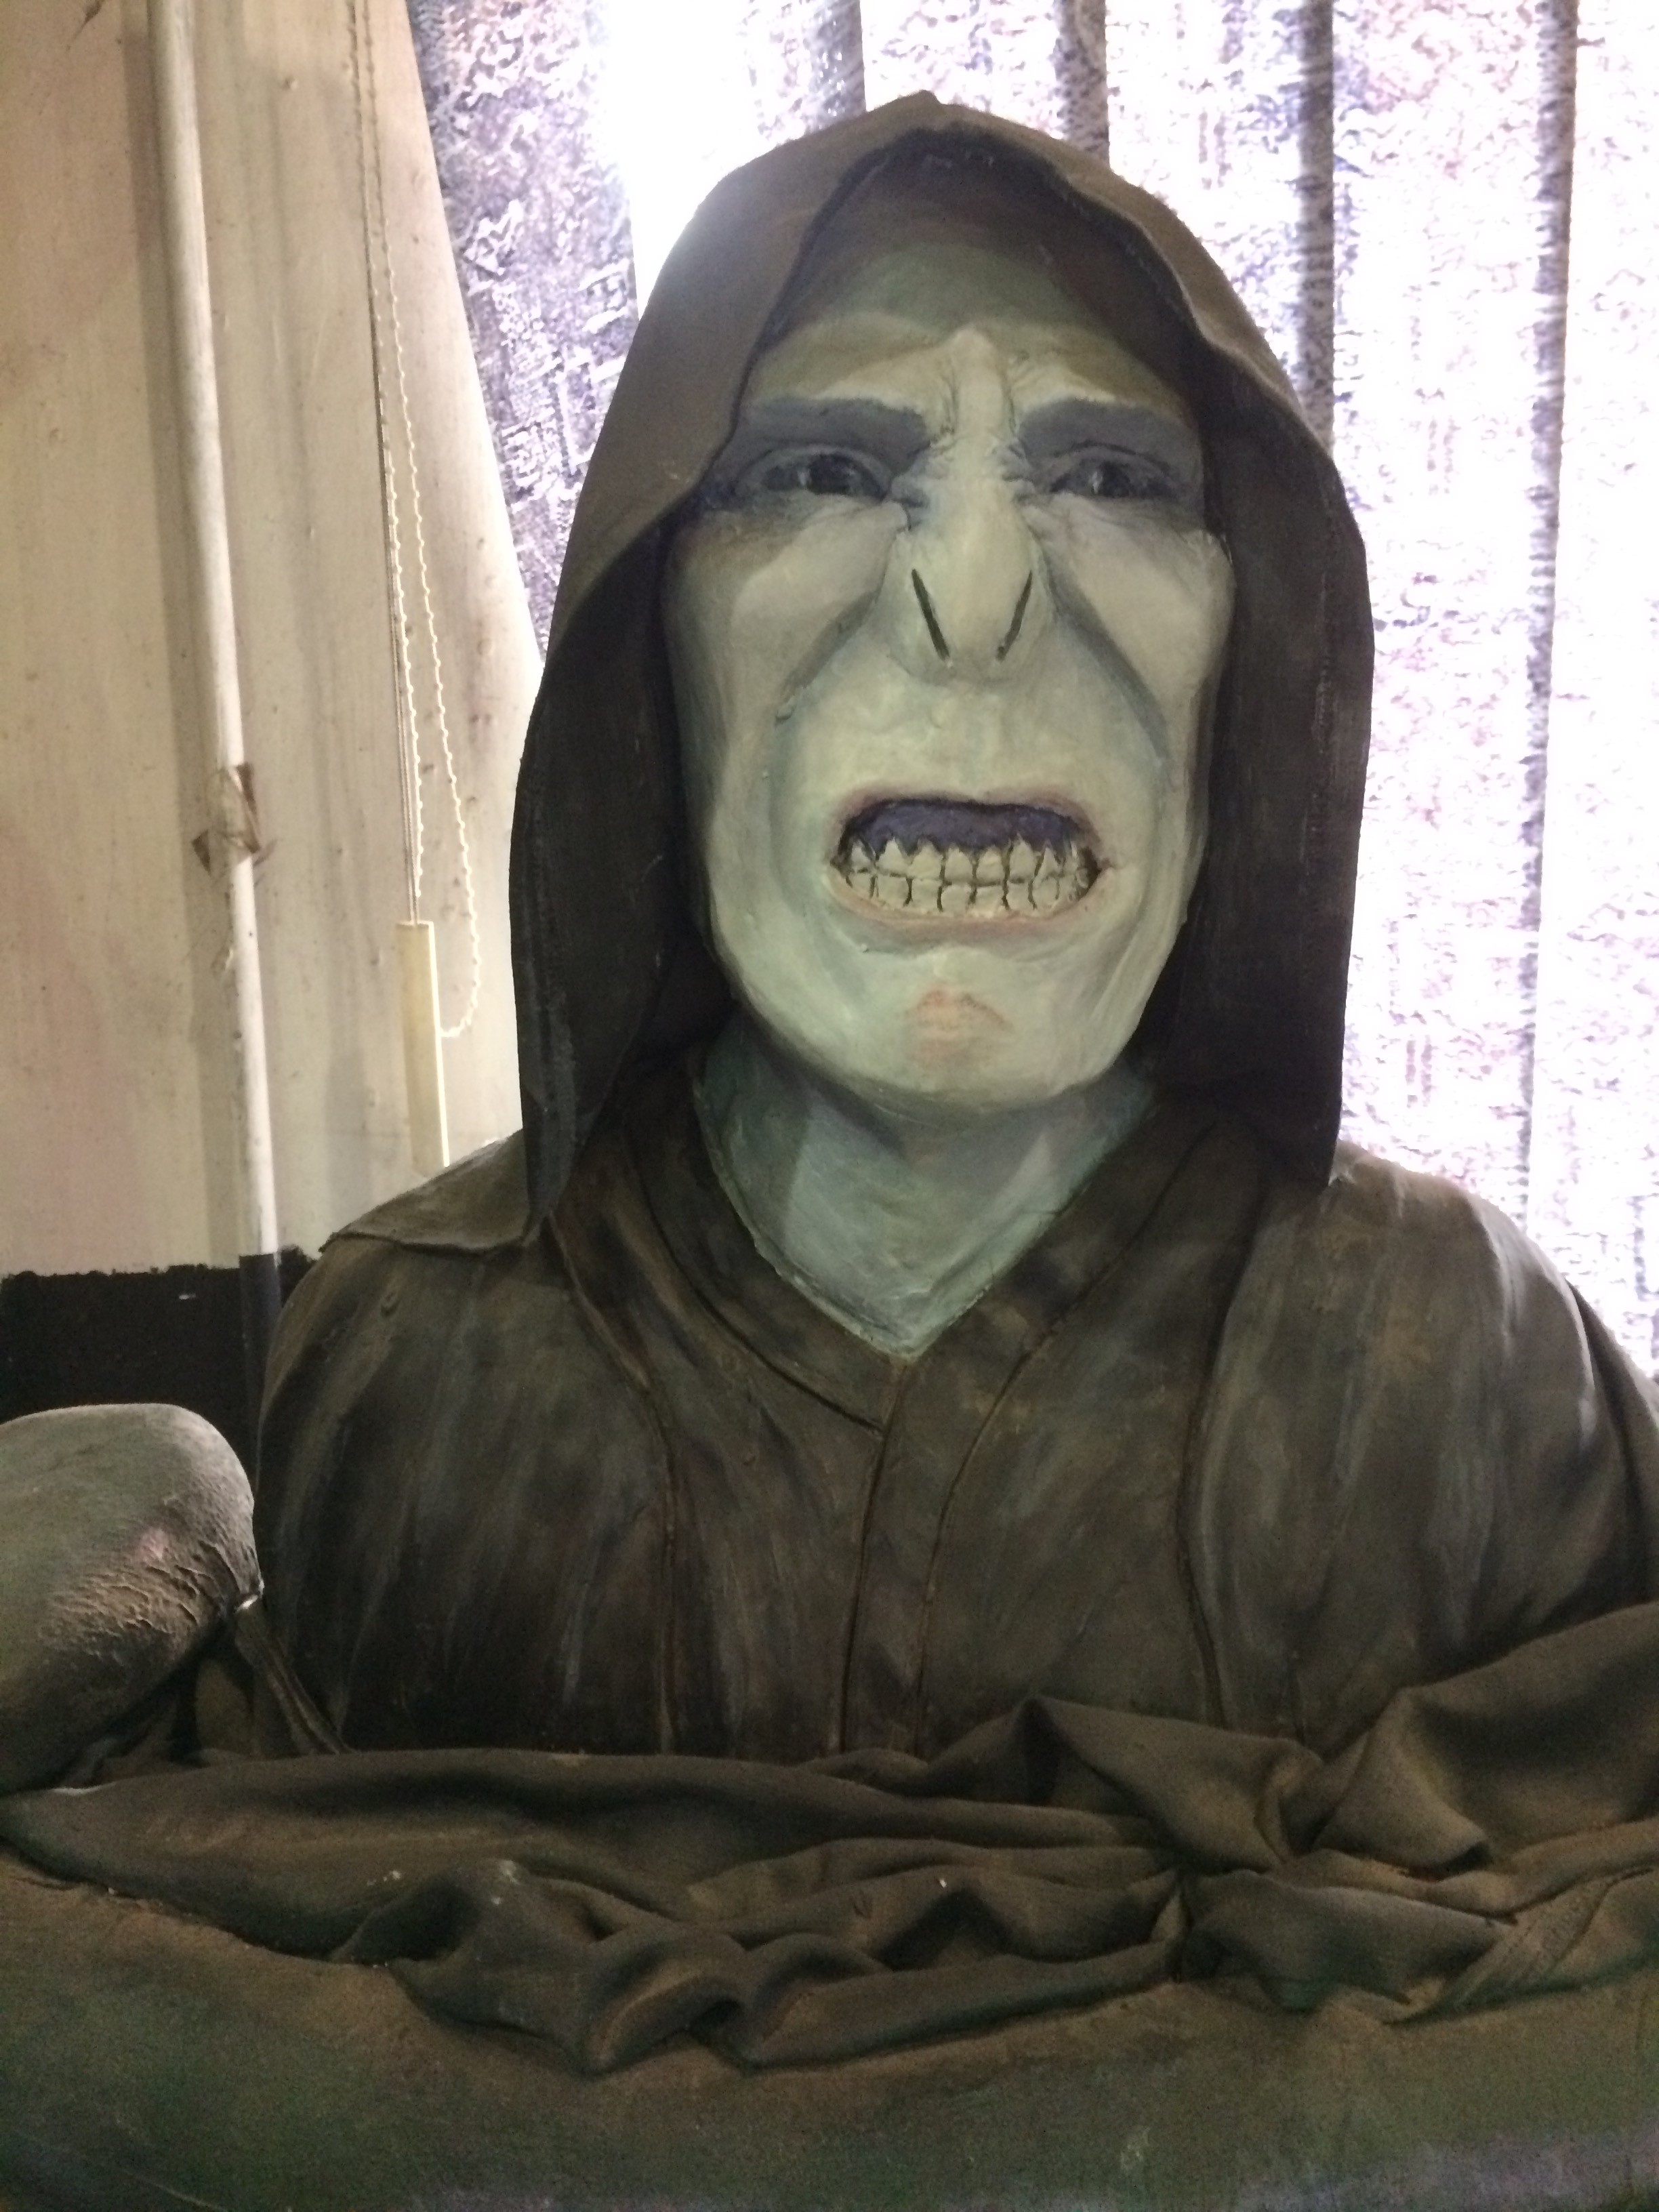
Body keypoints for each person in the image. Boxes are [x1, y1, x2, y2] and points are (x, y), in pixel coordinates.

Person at [251, 96, 1659, 1774]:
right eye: (823, 472)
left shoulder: (1480, 1391)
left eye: (1114, 477)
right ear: (657, 633)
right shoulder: (416, 1384)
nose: (978, 600)